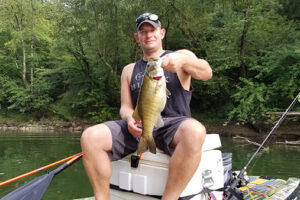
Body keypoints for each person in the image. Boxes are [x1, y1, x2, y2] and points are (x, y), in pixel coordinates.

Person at [81, 13, 213, 200]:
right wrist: (129, 120)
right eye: (143, 31)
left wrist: (183, 61)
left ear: (162, 33)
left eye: (153, 30)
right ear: (137, 37)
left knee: (196, 130)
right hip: (140, 126)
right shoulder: (129, 70)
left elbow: (207, 72)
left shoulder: (182, 56)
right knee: (90, 137)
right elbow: (126, 108)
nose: (148, 35)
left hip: (173, 126)